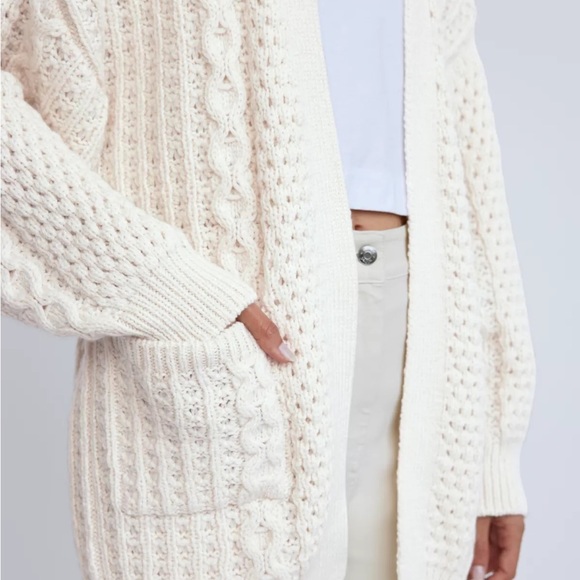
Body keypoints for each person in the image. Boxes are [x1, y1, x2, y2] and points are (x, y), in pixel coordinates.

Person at [1, 0, 536, 579]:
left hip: (424, 350)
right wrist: (159, 280)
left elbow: (466, 147)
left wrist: (494, 452)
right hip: (232, 356)